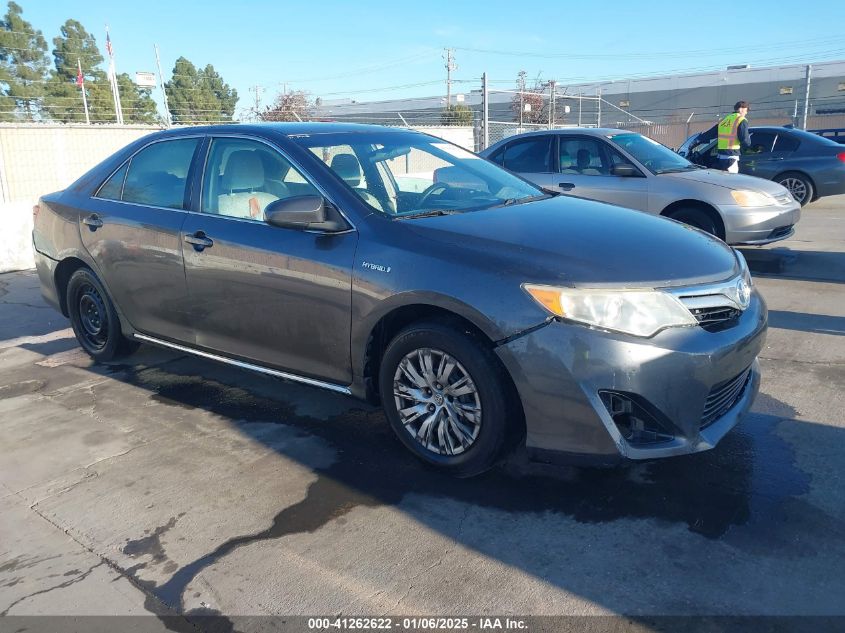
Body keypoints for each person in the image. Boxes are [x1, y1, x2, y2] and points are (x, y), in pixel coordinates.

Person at [697, 101, 751, 173]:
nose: (746, 113)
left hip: (721, 156)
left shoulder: (724, 120)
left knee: (722, 180)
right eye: (746, 110)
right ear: (741, 109)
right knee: (731, 181)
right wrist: (750, 147)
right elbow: (745, 140)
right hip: (732, 156)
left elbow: (710, 134)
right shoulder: (741, 120)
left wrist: (698, 139)